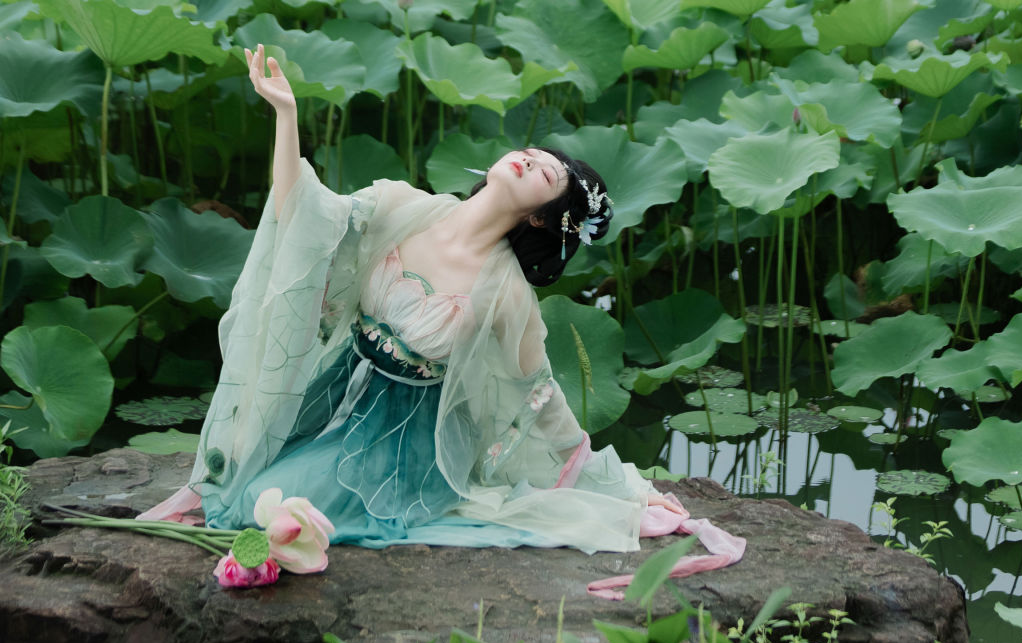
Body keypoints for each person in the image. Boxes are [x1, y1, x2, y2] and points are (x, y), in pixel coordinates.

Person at [165, 43, 687, 554]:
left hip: (400, 446)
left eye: (544, 173)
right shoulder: (402, 206)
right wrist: (287, 115)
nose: (528, 162)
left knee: (262, 506)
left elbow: (540, 397)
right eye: (528, 154)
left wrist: (617, 490)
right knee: (243, 481)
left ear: (540, 218)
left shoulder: (507, 296)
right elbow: (299, 210)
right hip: (329, 399)